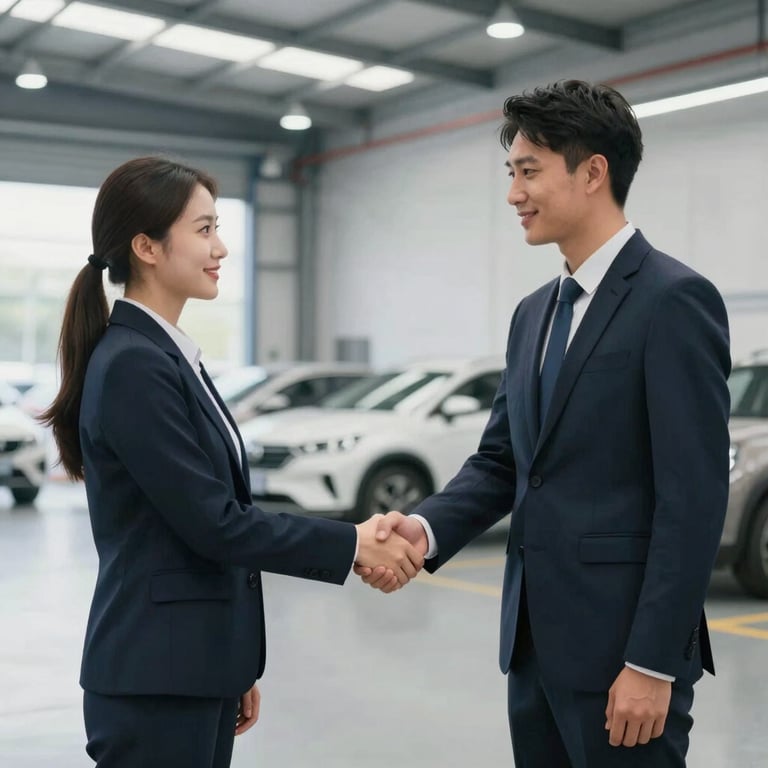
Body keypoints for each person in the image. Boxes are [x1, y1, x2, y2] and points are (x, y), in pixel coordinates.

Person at [357, 80, 731, 767]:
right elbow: (503, 462)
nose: (514, 194)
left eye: (529, 172)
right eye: (512, 173)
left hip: (626, 661)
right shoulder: (535, 312)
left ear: (593, 172)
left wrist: (652, 661)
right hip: (532, 650)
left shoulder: (673, 302)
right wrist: (426, 526)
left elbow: (694, 498)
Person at [43, 156, 422, 768]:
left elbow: (201, 522)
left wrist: (229, 659)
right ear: (146, 246)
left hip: (191, 665)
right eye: (203, 230)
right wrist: (353, 543)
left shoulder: (166, 355)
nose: (220, 248)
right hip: (156, 681)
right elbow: (214, 522)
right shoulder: (136, 365)